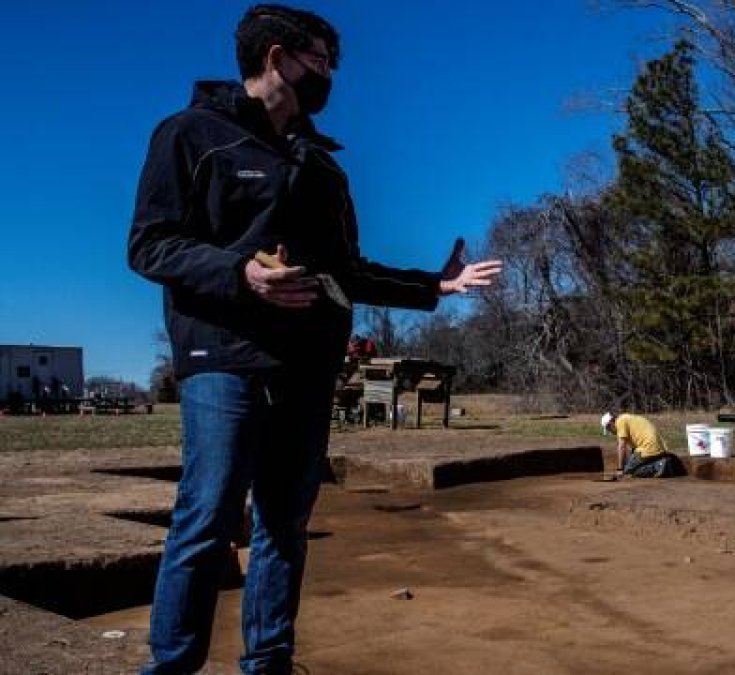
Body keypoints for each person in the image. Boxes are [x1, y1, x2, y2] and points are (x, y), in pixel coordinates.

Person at [126, 5, 502, 673]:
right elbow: (150, 245)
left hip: (305, 361)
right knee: (210, 510)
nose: (329, 76)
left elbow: (347, 271)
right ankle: (172, 665)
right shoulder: (190, 135)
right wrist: (240, 273)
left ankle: (269, 661)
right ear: (276, 58)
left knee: (286, 518)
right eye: (320, 61)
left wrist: (435, 286)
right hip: (223, 352)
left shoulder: (322, 167)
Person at [601, 411, 684, 478]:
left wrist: (620, 469)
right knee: (632, 464)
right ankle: (661, 463)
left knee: (628, 471)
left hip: (648, 448)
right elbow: (635, 445)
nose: (611, 432)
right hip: (657, 447)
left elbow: (622, 447)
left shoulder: (620, 422)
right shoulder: (627, 418)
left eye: (609, 429)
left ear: (611, 423)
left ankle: (659, 466)